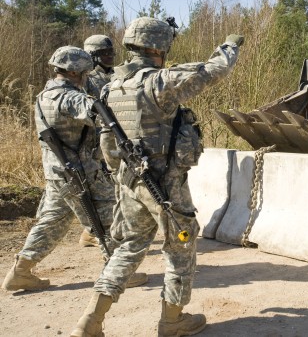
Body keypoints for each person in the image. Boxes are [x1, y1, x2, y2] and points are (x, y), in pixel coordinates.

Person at [70, 17, 243, 337]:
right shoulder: (160, 82)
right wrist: (229, 47)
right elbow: (212, 71)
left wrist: (123, 177)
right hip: (165, 186)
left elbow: (108, 145)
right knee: (182, 243)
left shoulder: (112, 88)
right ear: (157, 47)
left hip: (131, 183)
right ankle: (172, 320)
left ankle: (89, 321)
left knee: (127, 248)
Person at [1, 46, 146, 292]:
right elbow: (98, 114)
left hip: (57, 173)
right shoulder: (70, 97)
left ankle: (21, 271)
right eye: (86, 73)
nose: (88, 77)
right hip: (80, 172)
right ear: (76, 72)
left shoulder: (44, 95)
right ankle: (118, 272)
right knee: (107, 216)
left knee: (52, 221)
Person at [79, 34, 117, 248]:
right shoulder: (87, 80)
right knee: (104, 192)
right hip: (94, 143)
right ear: (92, 56)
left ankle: (92, 232)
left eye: (111, 52)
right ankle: (96, 233)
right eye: (104, 53)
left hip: (112, 139)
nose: (110, 56)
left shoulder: (114, 75)